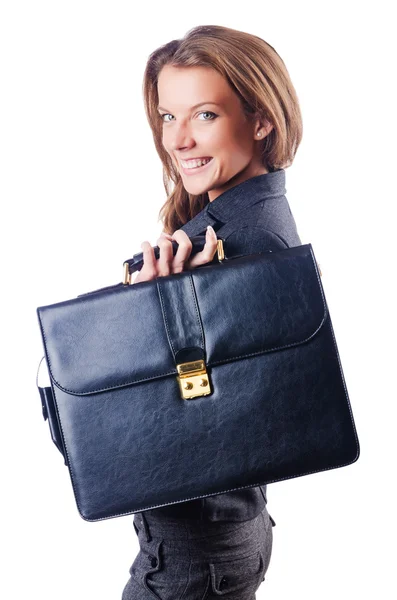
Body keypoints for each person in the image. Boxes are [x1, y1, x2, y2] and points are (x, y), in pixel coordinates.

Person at [122, 24, 303, 600]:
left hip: (194, 555)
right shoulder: (235, 224)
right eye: (167, 117)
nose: (178, 140)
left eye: (204, 115)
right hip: (213, 540)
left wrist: (151, 315)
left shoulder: (244, 242)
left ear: (260, 120)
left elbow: (223, 417)